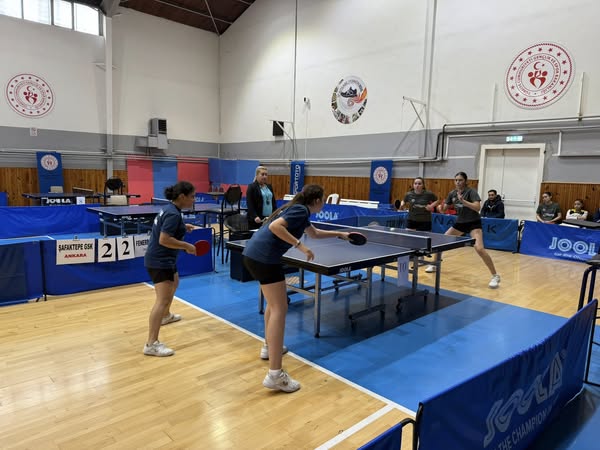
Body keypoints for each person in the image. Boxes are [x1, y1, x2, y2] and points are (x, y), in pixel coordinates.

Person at [242, 185, 349, 393]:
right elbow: (276, 227)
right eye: (323, 199)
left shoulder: (299, 210)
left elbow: (314, 233)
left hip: (253, 255)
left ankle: (268, 347)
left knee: (274, 306)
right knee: (279, 308)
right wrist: (300, 246)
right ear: (316, 200)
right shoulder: (300, 210)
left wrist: (340, 234)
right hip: (264, 258)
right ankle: (275, 375)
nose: (324, 203)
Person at [143, 181, 197, 357]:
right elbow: (164, 239)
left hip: (165, 259)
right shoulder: (173, 214)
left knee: (175, 282)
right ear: (182, 197)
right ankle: (151, 344)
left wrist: (182, 227)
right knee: (162, 300)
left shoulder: (170, 209)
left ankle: (166, 316)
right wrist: (186, 246)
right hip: (160, 261)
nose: (194, 200)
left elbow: (166, 229)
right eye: (192, 196)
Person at [440, 172, 501, 289]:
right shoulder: (452, 193)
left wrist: (464, 202)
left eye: (460, 180)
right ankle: (435, 264)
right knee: (442, 241)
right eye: (456, 180)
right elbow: (444, 209)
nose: (458, 182)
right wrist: (441, 207)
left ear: (465, 181)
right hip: (460, 223)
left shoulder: (471, 192)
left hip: (473, 223)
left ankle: (495, 276)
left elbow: (477, 207)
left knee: (479, 249)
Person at [399, 177, 439, 272]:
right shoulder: (409, 194)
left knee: (423, 241)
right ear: (413, 185)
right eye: (415, 183)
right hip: (412, 219)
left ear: (423, 185)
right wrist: (402, 204)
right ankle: (412, 256)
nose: (417, 185)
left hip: (424, 220)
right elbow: (404, 200)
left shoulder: (428, 194)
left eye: (419, 183)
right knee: (409, 238)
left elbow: (437, 200)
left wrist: (431, 206)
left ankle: (421, 259)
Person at [246, 165, 274, 230]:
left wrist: (275, 214)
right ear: (257, 175)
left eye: (266, 174)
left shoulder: (269, 186)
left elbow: (273, 202)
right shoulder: (251, 187)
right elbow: (250, 204)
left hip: (269, 219)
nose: (264, 176)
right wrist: (255, 216)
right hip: (257, 220)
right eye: (262, 174)